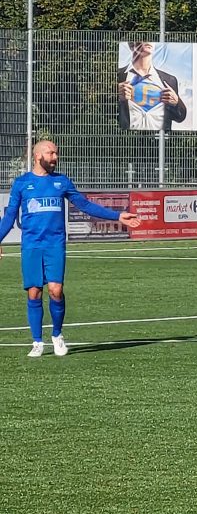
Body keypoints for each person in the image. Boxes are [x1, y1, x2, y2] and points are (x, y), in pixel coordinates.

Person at [0, 141, 141, 357]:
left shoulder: (61, 182)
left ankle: (57, 335)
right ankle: (37, 341)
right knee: (34, 292)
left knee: (56, 290)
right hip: (31, 245)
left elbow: (85, 205)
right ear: (38, 156)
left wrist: (117, 215)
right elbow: (10, 217)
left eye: (56, 153)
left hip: (55, 244)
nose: (55, 156)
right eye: (51, 153)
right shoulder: (22, 183)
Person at [117, 41, 188, 131]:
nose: (148, 41)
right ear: (131, 45)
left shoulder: (169, 79)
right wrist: (115, 95)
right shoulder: (118, 76)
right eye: (142, 38)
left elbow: (180, 117)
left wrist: (176, 103)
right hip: (127, 140)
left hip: (159, 140)